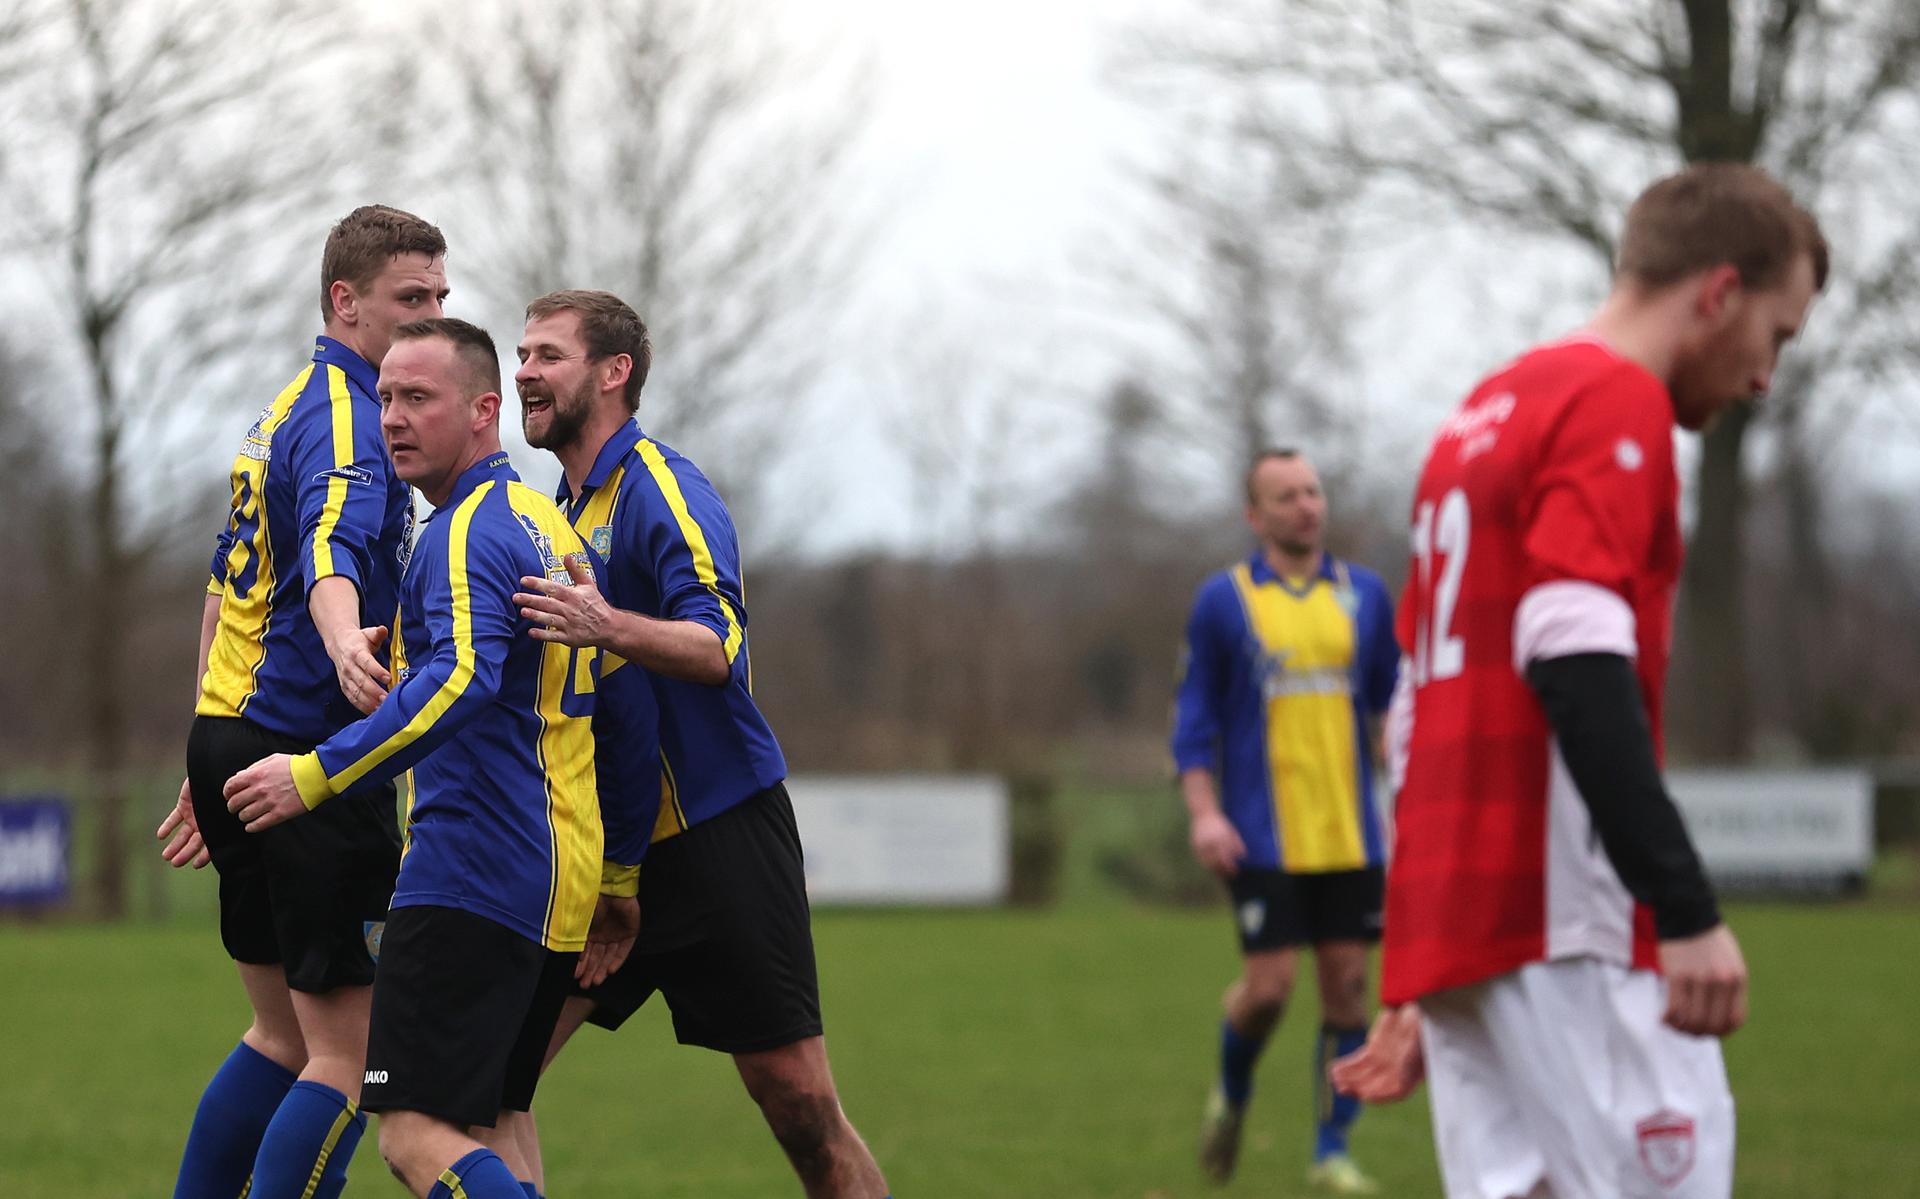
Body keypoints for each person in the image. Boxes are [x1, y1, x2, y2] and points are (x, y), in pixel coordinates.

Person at [1331, 163, 1828, 1199]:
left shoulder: (1487, 408)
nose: (1764, 376)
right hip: (1572, 920)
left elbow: (1415, 709)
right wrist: (1683, 905)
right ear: (1720, 291)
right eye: (1776, 335)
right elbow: (1571, 651)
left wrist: (1426, 952)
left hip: (1469, 930)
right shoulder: (1615, 401)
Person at [223, 316, 639, 1199]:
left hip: (472, 873)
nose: (393, 419)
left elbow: (462, 685)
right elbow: (584, 688)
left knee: (412, 1135)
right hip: (553, 878)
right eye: (384, 398)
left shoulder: (462, 529)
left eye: (419, 398)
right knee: (494, 1128)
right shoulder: (540, 522)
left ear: (485, 409)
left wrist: (311, 773)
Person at [490, 289, 891, 1199]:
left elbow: (717, 646)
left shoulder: (663, 486)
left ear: (613, 370)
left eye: (547, 354)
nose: (524, 373)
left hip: (718, 839)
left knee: (797, 1103)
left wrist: (604, 622)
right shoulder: (556, 508)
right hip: (603, 861)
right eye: (521, 355)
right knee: (484, 1078)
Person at [161, 205, 447, 1199]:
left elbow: (222, 594)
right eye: (411, 299)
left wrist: (205, 746)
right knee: (352, 1051)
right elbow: (328, 550)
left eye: (441, 298)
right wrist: (339, 643)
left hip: (233, 731)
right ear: (345, 299)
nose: (430, 316)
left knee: (281, 1035)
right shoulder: (351, 415)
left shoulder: (280, 406)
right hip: (304, 751)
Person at [1171, 449, 1398, 1194]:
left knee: (1347, 991)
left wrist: (1408, 760)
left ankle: (1331, 1150)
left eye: (1312, 490)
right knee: (1268, 989)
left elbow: (1392, 701)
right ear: (1255, 515)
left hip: (1349, 833)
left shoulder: (1362, 594)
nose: (1306, 505)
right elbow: (1194, 717)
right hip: (1262, 832)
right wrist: (1205, 812)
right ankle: (1232, 1092)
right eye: (1287, 495)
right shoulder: (1225, 601)